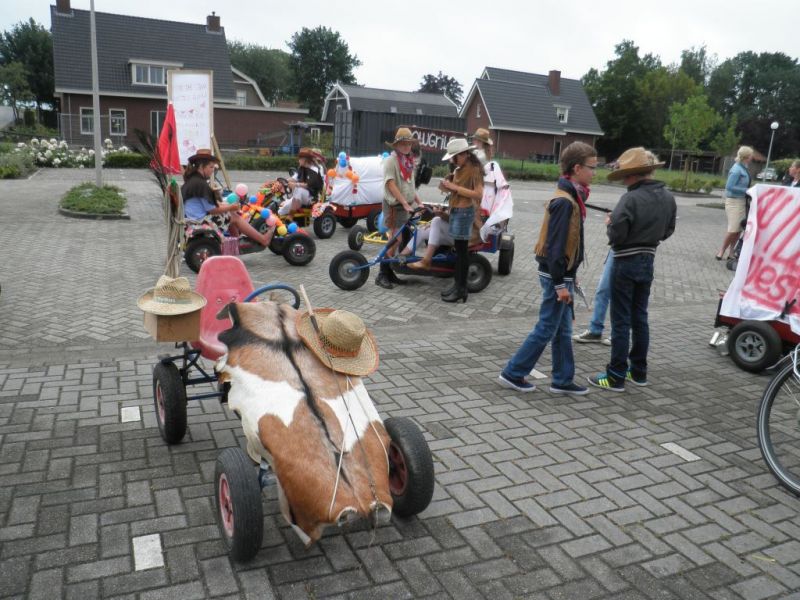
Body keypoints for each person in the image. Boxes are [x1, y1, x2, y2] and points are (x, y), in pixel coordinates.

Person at [498, 142, 597, 395]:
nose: (594, 173)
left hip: (562, 275)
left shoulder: (572, 196)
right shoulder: (565, 201)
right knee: (546, 328)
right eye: (591, 168)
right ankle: (513, 372)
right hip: (556, 275)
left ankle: (563, 380)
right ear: (576, 168)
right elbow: (555, 248)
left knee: (563, 329)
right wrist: (561, 284)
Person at [588, 148, 676, 392]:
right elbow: (668, 230)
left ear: (634, 175)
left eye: (626, 175)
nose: (624, 180)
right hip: (648, 259)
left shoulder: (630, 199)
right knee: (640, 317)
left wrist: (610, 224)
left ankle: (614, 375)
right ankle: (638, 371)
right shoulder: (667, 197)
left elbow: (617, 235)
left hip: (625, 261)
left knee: (620, 320)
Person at [182, 149, 274, 247]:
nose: (213, 170)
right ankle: (263, 240)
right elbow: (213, 209)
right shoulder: (200, 184)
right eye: (211, 167)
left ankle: (237, 242)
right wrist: (231, 207)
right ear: (201, 166)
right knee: (235, 217)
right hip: (199, 221)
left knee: (231, 213)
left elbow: (210, 205)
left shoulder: (193, 180)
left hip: (194, 218)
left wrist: (229, 207)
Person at [376, 128, 425, 289]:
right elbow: (390, 183)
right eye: (403, 144)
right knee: (395, 239)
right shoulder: (392, 161)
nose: (406, 147)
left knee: (401, 239)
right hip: (394, 206)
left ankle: (390, 272)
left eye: (408, 144)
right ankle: (382, 274)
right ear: (396, 145)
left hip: (405, 207)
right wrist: (404, 202)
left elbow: (410, 185)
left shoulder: (408, 161)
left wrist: (419, 201)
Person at [437, 138, 484, 303]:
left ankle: (461, 289)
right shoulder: (460, 168)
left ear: (463, 154)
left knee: (462, 253)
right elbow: (457, 189)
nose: (452, 160)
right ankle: (458, 286)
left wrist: (454, 188)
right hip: (457, 211)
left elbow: (478, 194)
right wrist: (446, 185)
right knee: (459, 252)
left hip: (464, 213)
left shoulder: (474, 169)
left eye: (454, 156)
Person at [716, 146, 752, 261]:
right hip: (734, 202)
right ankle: (721, 250)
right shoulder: (736, 169)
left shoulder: (743, 167)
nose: (752, 157)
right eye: (750, 155)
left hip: (741, 202)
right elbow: (729, 187)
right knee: (733, 229)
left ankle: (731, 252)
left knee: (738, 229)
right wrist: (746, 190)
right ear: (746, 157)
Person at [573, 250, 613, 346]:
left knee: (619, 294)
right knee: (602, 290)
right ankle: (595, 331)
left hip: (630, 250)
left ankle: (618, 333)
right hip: (616, 250)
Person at [278, 148, 324, 216]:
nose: (298, 160)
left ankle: (287, 214)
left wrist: (296, 184)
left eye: (300, 159)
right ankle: (279, 212)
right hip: (302, 195)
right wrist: (282, 182)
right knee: (288, 200)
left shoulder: (315, 169)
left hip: (312, 197)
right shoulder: (302, 168)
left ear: (305, 160)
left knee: (299, 190)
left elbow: (308, 184)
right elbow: (294, 178)